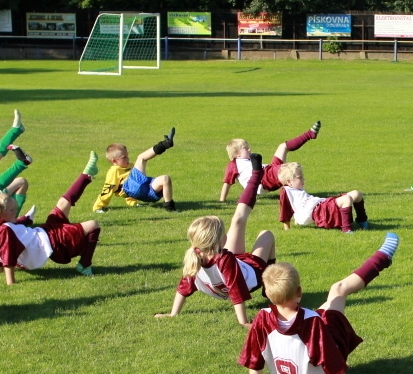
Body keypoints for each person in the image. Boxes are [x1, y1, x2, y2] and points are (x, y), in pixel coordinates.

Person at [237, 232, 400, 374]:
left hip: (283, 372)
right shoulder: (312, 322)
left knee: (325, 306)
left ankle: (383, 257)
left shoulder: (262, 318)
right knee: (338, 289)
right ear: (299, 292)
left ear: (269, 296)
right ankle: (383, 256)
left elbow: (254, 354)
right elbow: (330, 356)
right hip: (314, 373)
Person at [159, 154, 276, 326]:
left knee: (238, 219)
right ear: (220, 241)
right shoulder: (225, 259)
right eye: (224, 235)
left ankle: (256, 175)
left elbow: (184, 288)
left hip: (232, 265)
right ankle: (271, 290)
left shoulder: (196, 253)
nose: (226, 236)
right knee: (267, 234)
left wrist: (172, 314)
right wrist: (243, 322)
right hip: (252, 274)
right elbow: (236, 290)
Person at [0, 153, 102, 282]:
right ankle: (85, 265)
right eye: (11, 210)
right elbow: (7, 254)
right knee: (93, 225)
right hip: (53, 242)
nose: (15, 212)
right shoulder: (4, 230)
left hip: (45, 232)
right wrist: (10, 282)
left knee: (62, 204)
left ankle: (86, 174)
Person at [219, 121, 321, 201]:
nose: (249, 149)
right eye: (246, 148)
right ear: (237, 154)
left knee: (283, 147)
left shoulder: (249, 159)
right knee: (291, 169)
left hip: (269, 171)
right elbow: (227, 183)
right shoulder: (233, 164)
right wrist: (222, 200)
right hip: (264, 180)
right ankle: (304, 199)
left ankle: (310, 134)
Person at [93, 129, 178, 212]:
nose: (128, 159)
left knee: (165, 179)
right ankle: (165, 144)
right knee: (141, 158)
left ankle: (169, 208)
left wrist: (132, 203)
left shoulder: (130, 167)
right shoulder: (114, 171)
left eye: (127, 156)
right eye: (124, 157)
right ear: (114, 161)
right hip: (133, 189)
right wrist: (98, 206)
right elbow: (108, 188)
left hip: (146, 192)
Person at [277, 161, 367, 233]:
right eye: (300, 177)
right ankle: (346, 229)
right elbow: (285, 210)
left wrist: (296, 219)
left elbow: (296, 206)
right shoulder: (286, 191)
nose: (303, 179)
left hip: (321, 204)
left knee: (356, 194)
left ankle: (362, 220)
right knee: (347, 199)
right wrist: (287, 227)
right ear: (289, 182)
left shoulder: (297, 189)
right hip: (317, 211)